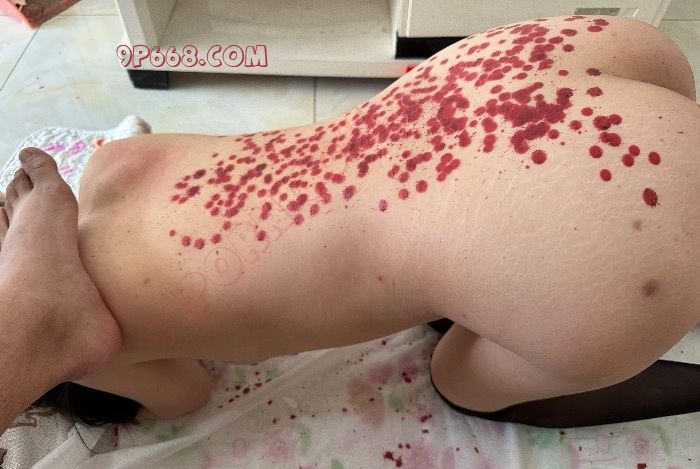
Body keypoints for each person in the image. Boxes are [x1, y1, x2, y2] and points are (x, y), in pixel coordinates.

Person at [1, 14, 699, 434]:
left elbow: (184, 396)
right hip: (532, 65)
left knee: (458, 378)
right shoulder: (114, 163)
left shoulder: (90, 341)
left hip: (612, 231)